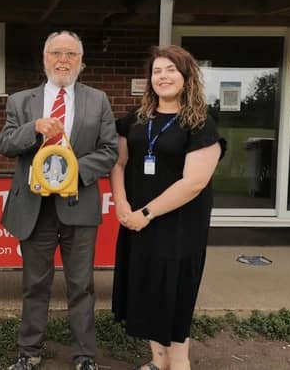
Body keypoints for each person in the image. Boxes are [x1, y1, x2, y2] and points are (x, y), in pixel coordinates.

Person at [0, 30, 118, 370]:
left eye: (71, 54)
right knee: (34, 284)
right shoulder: (21, 101)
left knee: (81, 285)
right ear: (44, 58)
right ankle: (29, 352)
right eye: (56, 53)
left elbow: (109, 150)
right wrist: (33, 128)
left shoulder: (99, 100)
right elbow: (5, 144)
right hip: (35, 207)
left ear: (81, 62)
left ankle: (84, 356)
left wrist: (72, 172)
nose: (63, 60)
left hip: (78, 202)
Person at [111, 45, 225, 370]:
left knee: (174, 295)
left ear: (187, 77)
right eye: (157, 71)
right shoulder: (136, 119)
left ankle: (179, 363)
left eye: (171, 70)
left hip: (178, 228)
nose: (163, 77)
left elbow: (194, 183)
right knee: (147, 289)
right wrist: (122, 205)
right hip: (137, 222)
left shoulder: (201, 124)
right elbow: (118, 162)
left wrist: (145, 214)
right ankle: (157, 361)